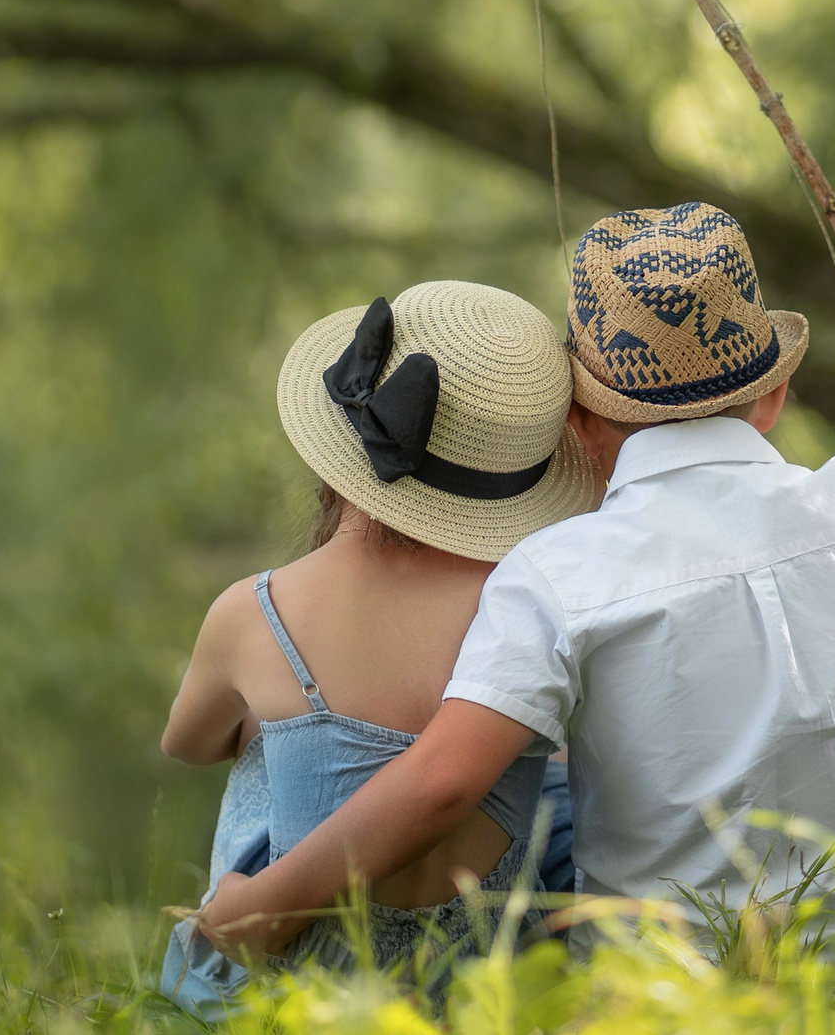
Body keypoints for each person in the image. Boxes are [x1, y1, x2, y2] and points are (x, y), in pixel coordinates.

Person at [197, 202, 835, 959]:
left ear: (579, 419)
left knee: (538, 791)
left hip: (661, 986)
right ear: (773, 394)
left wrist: (272, 900)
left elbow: (440, 784)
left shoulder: (556, 572)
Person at [156, 280, 604, 1011]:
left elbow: (188, 744)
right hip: (471, 990)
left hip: (288, 991)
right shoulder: (531, 617)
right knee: (541, 765)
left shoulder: (252, 611)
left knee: (270, 736)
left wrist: (286, 712)